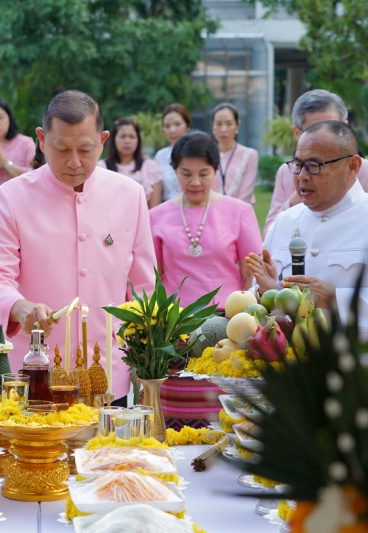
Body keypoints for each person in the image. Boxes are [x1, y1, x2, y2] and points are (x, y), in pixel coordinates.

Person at [0, 90, 156, 405]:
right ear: (42, 140)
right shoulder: (11, 198)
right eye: (61, 149)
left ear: (103, 141)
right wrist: (21, 308)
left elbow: (143, 287)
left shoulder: (130, 195)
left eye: (86, 149)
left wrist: (144, 354)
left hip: (107, 374)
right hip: (34, 374)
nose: (74, 163)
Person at [246, 121, 368, 341]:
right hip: (288, 367)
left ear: (353, 166)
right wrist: (268, 292)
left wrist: (334, 298)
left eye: (314, 165)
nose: (302, 176)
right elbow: (261, 304)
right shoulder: (284, 221)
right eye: (298, 164)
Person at [149, 131, 262, 428]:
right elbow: (152, 278)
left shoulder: (239, 212)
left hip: (227, 328)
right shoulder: (157, 216)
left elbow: (252, 273)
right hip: (176, 331)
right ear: (174, 171)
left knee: (224, 411)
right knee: (176, 416)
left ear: (216, 170)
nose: (195, 182)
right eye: (186, 174)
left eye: (204, 173)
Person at [264, 90, 368, 235]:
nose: (322, 137)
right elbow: (269, 234)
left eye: (332, 128)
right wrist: (295, 201)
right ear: (297, 133)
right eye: (312, 131)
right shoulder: (287, 172)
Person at [98, 117, 163, 208]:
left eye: (131, 137)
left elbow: (155, 210)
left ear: (138, 140)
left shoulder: (151, 167)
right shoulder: (101, 168)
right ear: (114, 139)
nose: (127, 141)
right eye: (123, 136)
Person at [210, 103, 258, 204]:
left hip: (239, 214)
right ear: (212, 126)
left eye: (229, 124)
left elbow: (246, 196)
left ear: (237, 125)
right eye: (218, 124)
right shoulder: (206, 156)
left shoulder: (250, 155)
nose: (223, 129)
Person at [155, 103, 192, 202]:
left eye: (177, 124)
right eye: (167, 126)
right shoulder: (160, 156)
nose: (172, 130)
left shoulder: (197, 154)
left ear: (187, 126)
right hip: (167, 211)